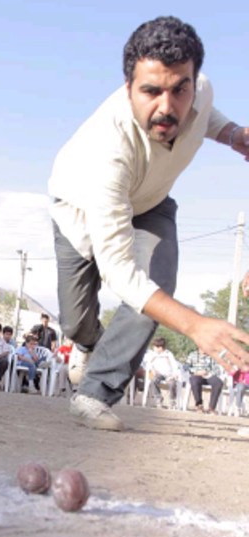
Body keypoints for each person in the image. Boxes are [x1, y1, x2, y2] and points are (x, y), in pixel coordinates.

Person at [48, 16, 249, 431]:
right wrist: (195, 326)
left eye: (180, 90)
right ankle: (90, 344)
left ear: (194, 83)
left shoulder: (201, 92)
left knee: (156, 283)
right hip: (80, 210)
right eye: (151, 91)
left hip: (152, 203)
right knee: (76, 320)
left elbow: (203, 114)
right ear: (128, 89)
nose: (166, 107)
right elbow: (120, 271)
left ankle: (94, 394)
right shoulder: (110, 150)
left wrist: (232, 134)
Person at [185, 348, 223, 413]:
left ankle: (211, 408)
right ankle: (199, 405)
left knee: (218, 383)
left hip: (208, 375)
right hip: (197, 374)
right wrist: (196, 372)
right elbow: (186, 366)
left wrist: (207, 372)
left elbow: (217, 369)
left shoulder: (211, 355)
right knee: (194, 380)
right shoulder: (192, 354)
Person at [145, 337, 180, 407]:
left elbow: (174, 365)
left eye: (155, 347)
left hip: (168, 374)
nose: (154, 348)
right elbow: (148, 364)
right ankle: (158, 398)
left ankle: (172, 400)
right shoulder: (152, 354)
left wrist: (173, 375)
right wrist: (152, 371)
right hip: (157, 373)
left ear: (160, 348)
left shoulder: (168, 354)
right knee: (153, 380)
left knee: (172, 383)